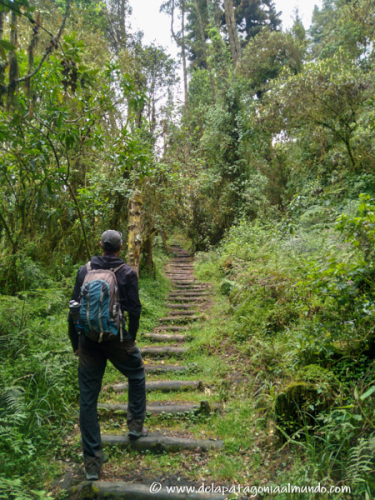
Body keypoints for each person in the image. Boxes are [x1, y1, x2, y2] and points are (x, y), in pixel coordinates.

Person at [68, 230, 147, 481]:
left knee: (88, 401)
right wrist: (131, 336)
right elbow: (134, 309)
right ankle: (134, 428)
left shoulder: (84, 270)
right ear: (120, 247)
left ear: (100, 245)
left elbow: (73, 309)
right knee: (136, 374)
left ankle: (92, 464)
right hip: (118, 339)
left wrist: (75, 343)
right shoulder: (127, 272)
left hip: (88, 341)